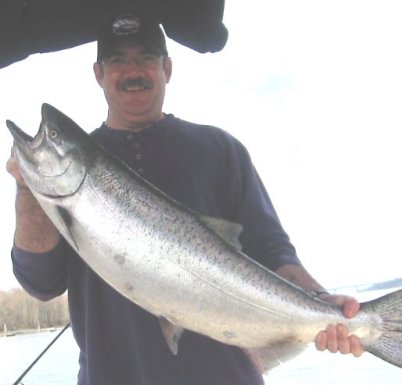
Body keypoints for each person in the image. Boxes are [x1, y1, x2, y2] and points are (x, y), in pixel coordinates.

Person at [6, 12, 363, 385]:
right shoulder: (66, 184)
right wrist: (28, 188)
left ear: (167, 68)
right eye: (118, 61)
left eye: (146, 58)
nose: (133, 71)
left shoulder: (220, 150)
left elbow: (275, 254)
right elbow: (40, 282)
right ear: (98, 73)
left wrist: (322, 303)